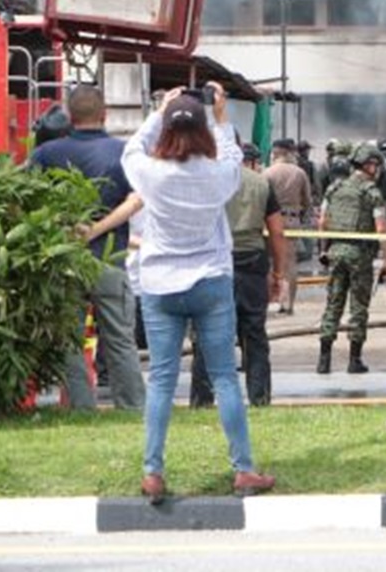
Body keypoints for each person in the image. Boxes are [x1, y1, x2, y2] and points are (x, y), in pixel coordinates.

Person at [121, 84, 275, 503]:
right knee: (225, 377)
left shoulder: (150, 175)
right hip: (210, 279)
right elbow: (232, 156)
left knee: (162, 382)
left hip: (159, 284)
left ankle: (153, 472)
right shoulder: (218, 176)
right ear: (203, 130)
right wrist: (220, 116)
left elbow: (132, 149)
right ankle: (243, 469)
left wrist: (161, 111)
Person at [29, 85, 145, 412]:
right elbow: (137, 199)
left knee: (69, 342)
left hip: (65, 263)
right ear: (104, 113)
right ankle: (132, 407)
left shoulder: (46, 154)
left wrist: (65, 228)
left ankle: (80, 408)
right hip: (110, 260)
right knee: (120, 340)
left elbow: (23, 201)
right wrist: (98, 228)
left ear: (69, 115)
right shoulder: (123, 153)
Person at [190, 142, 287, 407]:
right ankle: (259, 397)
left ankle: (202, 398)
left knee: (208, 331)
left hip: (214, 261)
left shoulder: (207, 182)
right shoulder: (261, 183)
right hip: (252, 262)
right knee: (253, 331)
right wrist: (278, 273)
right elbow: (277, 231)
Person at [316, 142, 386, 375]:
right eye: (375, 165)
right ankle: (354, 360)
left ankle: (324, 360)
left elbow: (322, 222)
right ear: (368, 166)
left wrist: (323, 250)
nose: (377, 170)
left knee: (333, 303)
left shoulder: (334, 188)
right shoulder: (371, 192)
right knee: (358, 306)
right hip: (359, 254)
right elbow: (380, 228)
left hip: (336, 251)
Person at [264, 138, 312, 314]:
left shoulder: (267, 173)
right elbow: (308, 201)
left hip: (269, 222)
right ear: (289, 153)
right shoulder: (299, 173)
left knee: (270, 262)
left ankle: (272, 301)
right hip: (292, 223)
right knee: (290, 264)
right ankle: (289, 304)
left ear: (275, 154)